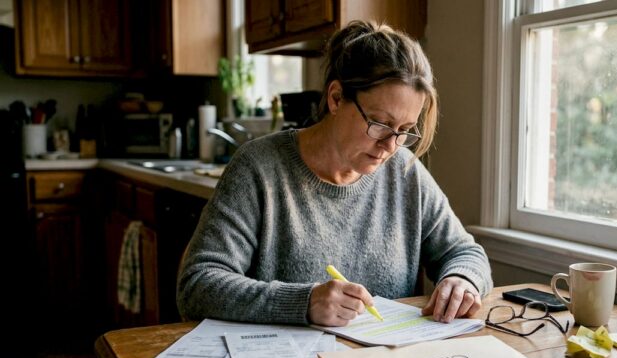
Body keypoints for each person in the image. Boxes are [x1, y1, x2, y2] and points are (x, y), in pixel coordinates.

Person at [177, 21, 492, 327]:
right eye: (380, 124)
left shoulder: (405, 172)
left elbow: (465, 252)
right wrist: (303, 303)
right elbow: (197, 285)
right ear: (336, 98)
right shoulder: (259, 167)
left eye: (405, 131)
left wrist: (462, 278)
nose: (390, 146)